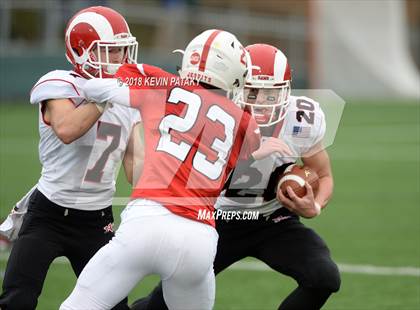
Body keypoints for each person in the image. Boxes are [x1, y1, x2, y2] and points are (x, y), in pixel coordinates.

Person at [59, 29, 274, 310]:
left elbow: (95, 87)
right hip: (199, 237)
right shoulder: (246, 123)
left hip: (147, 220)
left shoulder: (162, 85)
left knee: (80, 305)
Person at [131, 44, 341, 310]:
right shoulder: (213, 114)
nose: (262, 102)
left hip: (273, 219)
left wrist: (315, 205)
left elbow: (323, 175)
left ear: (286, 91)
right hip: (217, 220)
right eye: (253, 91)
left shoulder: (301, 119)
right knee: (163, 305)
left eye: (271, 93)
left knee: (324, 277)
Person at [0, 6, 142, 310]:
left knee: (114, 306)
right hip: (47, 214)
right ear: (81, 52)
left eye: (123, 50)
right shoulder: (59, 84)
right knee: (17, 300)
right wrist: (107, 96)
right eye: (111, 51)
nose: (122, 59)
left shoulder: (127, 100)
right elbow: (67, 128)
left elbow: (136, 166)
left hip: (97, 221)